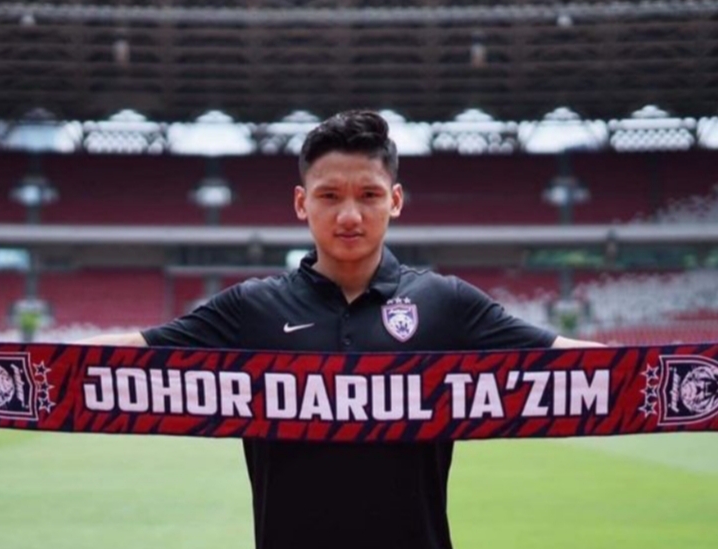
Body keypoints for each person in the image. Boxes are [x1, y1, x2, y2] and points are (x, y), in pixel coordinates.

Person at [81, 110, 602, 549]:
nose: (349, 215)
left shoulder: (446, 303)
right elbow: (126, 356)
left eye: (368, 195)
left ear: (394, 200)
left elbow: (586, 366)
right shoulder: (251, 307)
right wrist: (32, 368)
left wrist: (654, 376)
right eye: (329, 196)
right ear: (301, 203)